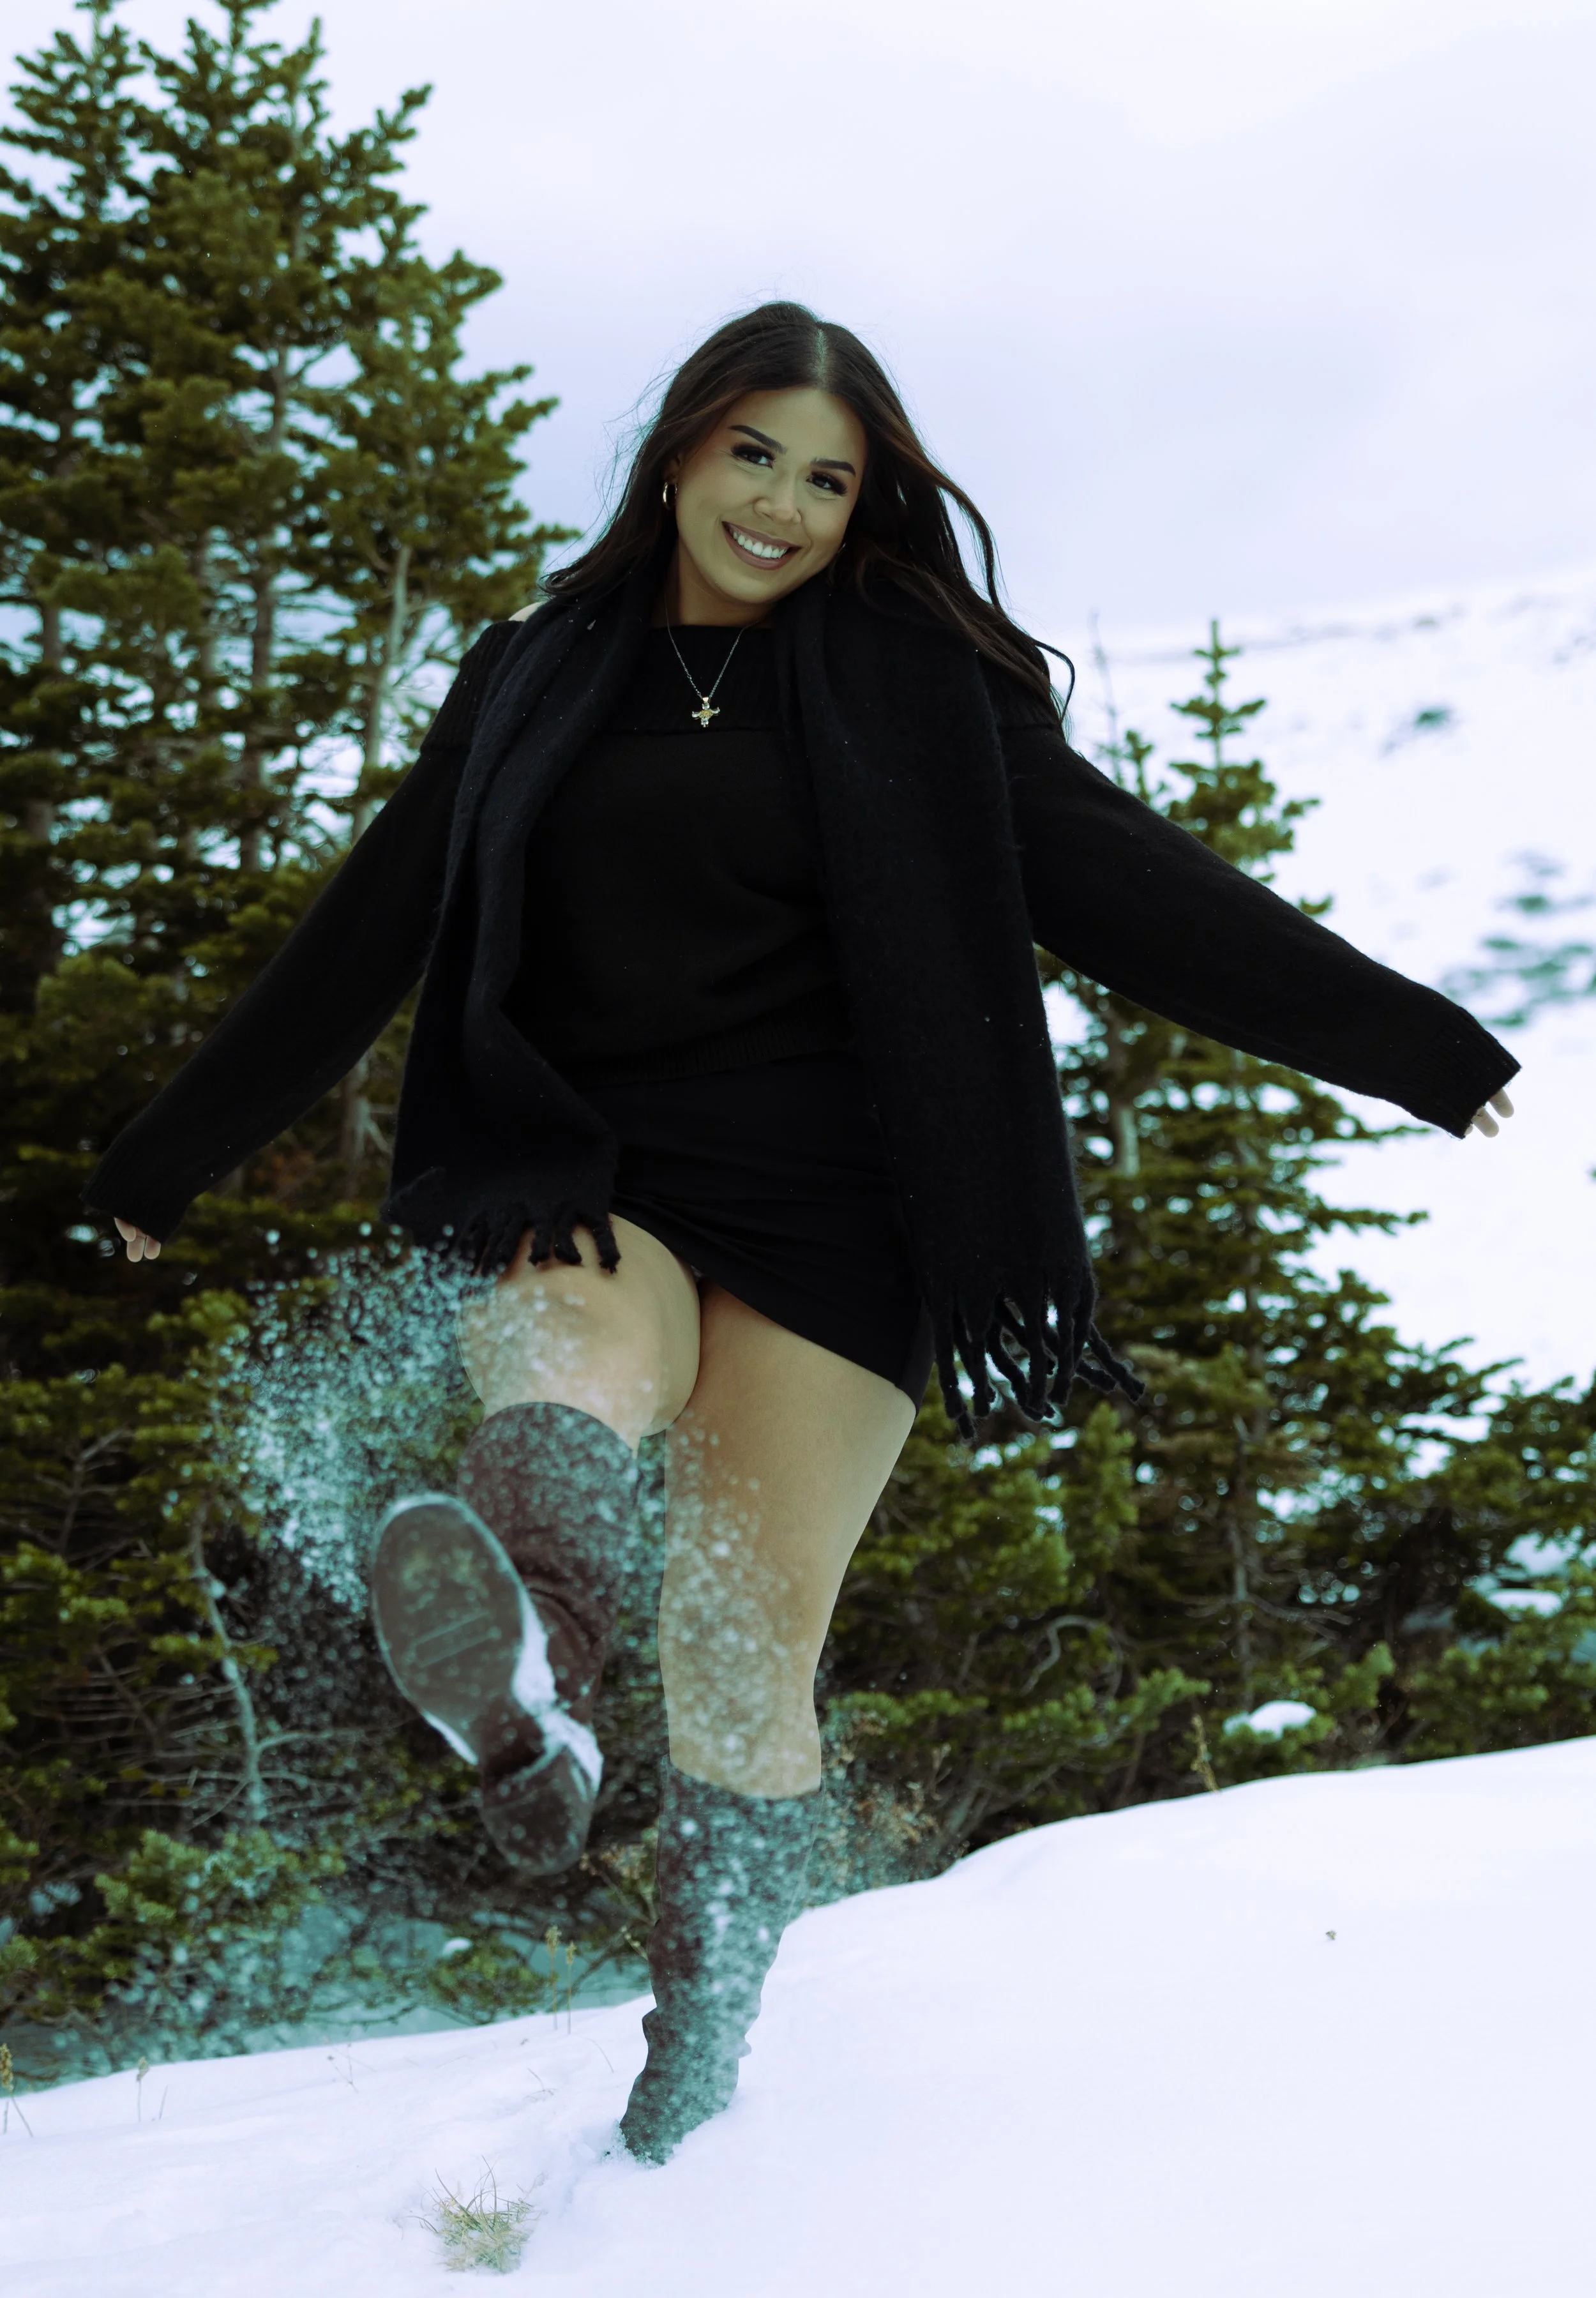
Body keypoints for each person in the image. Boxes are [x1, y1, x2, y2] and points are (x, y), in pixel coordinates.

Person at [87, 301, 1519, 2163]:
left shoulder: (917, 692)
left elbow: (1147, 900)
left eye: (828, 481)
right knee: (558, 1358)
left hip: (845, 1216)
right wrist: (153, 1164)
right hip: (593, 1171)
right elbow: (365, 932)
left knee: (749, 1654)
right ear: (679, 448)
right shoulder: (533, 671)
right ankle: (541, 1688)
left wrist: (1426, 1051)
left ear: (866, 509)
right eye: (754, 454)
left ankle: (695, 2064)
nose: (780, 504)